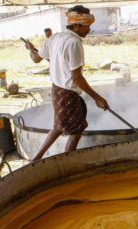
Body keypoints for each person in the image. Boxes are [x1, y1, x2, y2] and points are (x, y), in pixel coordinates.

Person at [24, 5, 109, 161]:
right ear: (75, 25)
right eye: (86, 26)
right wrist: (97, 97)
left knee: (60, 126)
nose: (89, 30)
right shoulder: (74, 43)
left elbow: (37, 58)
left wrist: (30, 49)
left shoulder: (55, 37)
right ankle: (67, 161)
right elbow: (77, 78)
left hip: (57, 90)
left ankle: (38, 158)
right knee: (76, 129)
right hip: (68, 93)